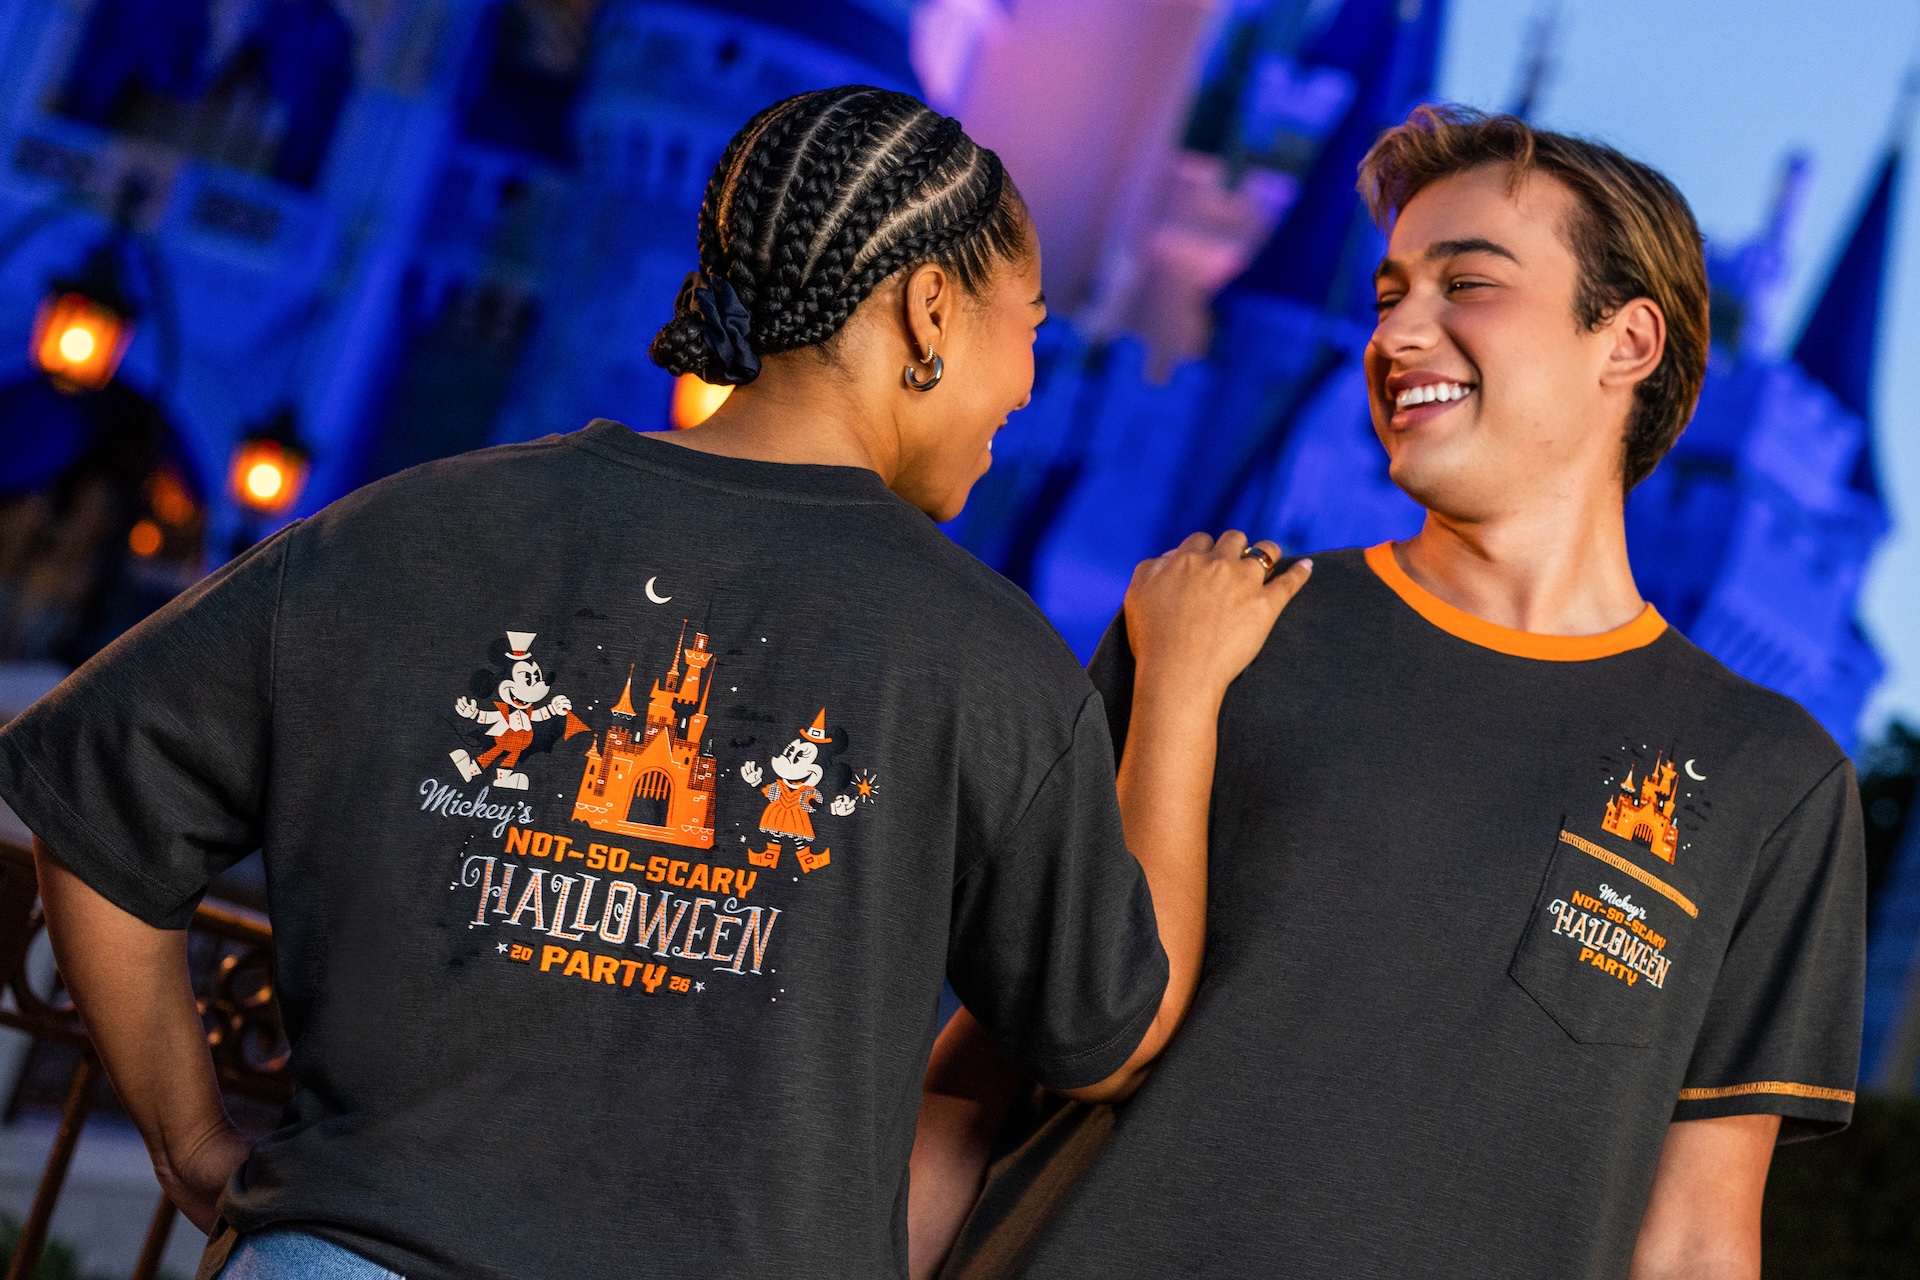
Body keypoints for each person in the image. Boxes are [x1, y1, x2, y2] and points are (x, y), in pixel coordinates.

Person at [0, 86, 1310, 1280]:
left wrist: (191, 1142)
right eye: (1031, 329)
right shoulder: (985, 657)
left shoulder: (411, 529)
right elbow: (1108, 1026)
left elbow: (96, 804)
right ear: (929, 311)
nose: (1027, 386)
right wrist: (1180, 687)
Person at [909, 105, 1866, 1280]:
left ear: (1626, 342)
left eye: (1468, 284)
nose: (1398, 332)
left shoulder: (1771, 779)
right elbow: (978, 1080)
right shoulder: (1215, 623)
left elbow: (1696, 1239)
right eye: (1388, 294)